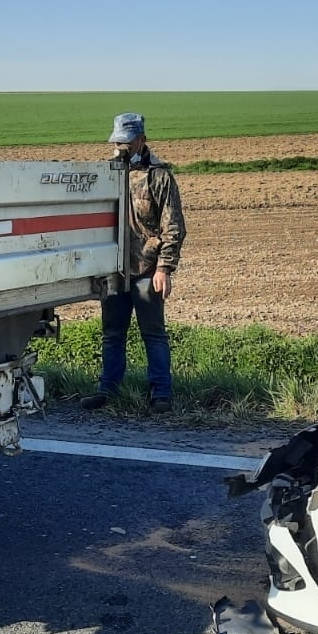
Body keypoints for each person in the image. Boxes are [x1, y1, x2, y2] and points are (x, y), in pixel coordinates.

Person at [80, 112, 187, 413]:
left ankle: (161, 394)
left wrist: (164, 268)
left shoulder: (159, 175)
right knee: (112, 333)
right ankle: (107, 390)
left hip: (146, 269)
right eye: (117, 142)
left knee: (153, 333)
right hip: (114, 270)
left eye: (126, 142)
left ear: (142, 140)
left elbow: (174, 227)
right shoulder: (107, 174)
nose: (121, 147)